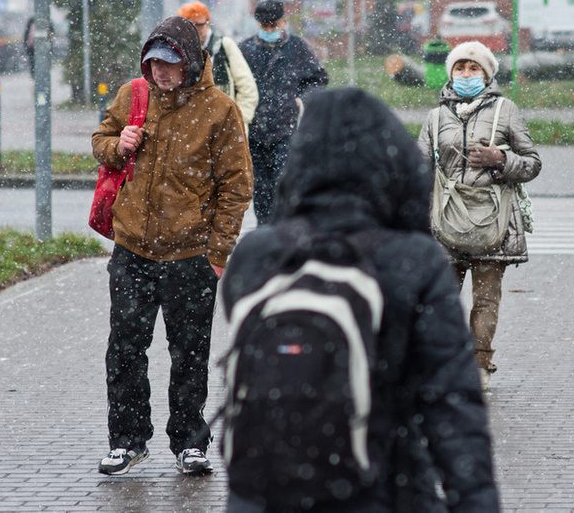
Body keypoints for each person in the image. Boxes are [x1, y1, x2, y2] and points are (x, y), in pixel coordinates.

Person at [221, 87, 499, 511]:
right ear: (390, 162)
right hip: (376, 486)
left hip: (263, 493)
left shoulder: (256, 254)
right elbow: (452, 407)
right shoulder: (412, 259)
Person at [91, 16, 253, 476]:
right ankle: (126, 441)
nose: (159, 71)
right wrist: (115, 145)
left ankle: (189, 442)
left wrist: (218, 254)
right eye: (152, 62)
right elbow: (100, 140)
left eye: (169, 63)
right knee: (124, 348)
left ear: (191, 61)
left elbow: (236, 187)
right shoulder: (133, 95)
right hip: (133, 251)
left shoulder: (219, 110)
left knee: (189, 351)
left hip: (190, 256)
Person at [417, 40, 541, 391]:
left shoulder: (507, 110)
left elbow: (532, 163)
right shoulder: (436, 117)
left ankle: (479, 365)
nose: (466, 74)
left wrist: (500, 161)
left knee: (486, 299)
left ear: (487, 74)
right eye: (460, 68)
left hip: (493, 222)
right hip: (444, 221)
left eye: (474, 69)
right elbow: (419, 168)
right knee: (440, 300)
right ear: (450, 73)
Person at [239, 0, 328, 225]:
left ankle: (283, 226)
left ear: (284, 22)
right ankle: (264, 228)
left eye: (274, 26)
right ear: (257, 24)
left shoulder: (298, 48)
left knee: (284, 180)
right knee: (259, 185)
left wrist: (301, 99)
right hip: (254, 131)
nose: (269, 31)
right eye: (264, 27)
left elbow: (318, 79)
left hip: (285, 128)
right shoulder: (246, 50)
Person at [176, 0, 258, 132]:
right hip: (192, 127)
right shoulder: (181, 51)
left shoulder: (224, 45)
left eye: (200, 25)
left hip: (226, 124)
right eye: (191, 26)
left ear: (208, 23)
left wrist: (241, 118)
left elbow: (247, 86)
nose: (196, 30)